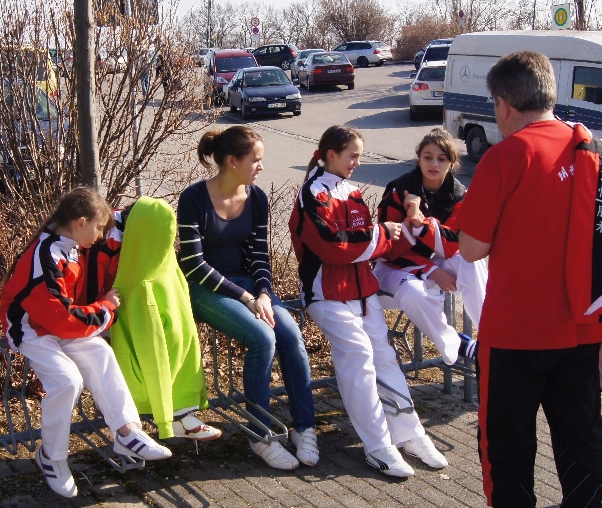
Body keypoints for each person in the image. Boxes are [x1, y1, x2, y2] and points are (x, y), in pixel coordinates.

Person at [453, 51, 602, 508]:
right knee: (582, 434)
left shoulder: (506, 156)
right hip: (583, 321)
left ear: (503, 103)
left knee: (508, 435)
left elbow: (471, 248)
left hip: (516, 326)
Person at [289, 124, 450, 478]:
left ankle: (410, 434)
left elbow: (376, 244)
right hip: (326, 294)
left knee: (385, 358)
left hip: (363, 292)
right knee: (359, 358)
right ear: (332, 155)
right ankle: (378, 445)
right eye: (353, 156)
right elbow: (333, 246)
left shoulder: (352, 190)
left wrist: (410, 226)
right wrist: (381, 233)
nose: (358, 163)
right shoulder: (312, 193)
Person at [0, 187, 172, 498]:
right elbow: (61, 318)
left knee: (101, 353)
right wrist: (105, 309)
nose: (101, 235)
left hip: (55, 324)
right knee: (67, 381)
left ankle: (127, 432)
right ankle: (51, 457)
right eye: (98, 228)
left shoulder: (68, 243)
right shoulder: (46, 256)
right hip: (30, 329)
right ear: (80, 223)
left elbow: (65, 314)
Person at [178, 126, 318, 470]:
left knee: (290, 334)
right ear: (232, 161)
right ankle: (260, 436)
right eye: (255, 160)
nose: (261, 167)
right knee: (262, 337)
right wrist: (244, 296)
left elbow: (259, 255)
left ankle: (304, 427)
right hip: (205, 288)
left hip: (249, 288)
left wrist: (265, 293)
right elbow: (193, 264)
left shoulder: (256, 198)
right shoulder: (194, 198)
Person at [106, 197, 223, 442]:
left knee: (178, 353)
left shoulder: (162, 262)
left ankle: (181, 415)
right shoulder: (139, 280)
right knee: (162, 360)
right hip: (147, 353)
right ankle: (173, 419)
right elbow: (152, 351)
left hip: (175, 344)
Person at [376, 127, 488, 364]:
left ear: (452, 163)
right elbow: (388, 251)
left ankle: (492, 337)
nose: (434, 164)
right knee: (414, 294)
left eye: (441, 159)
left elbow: (451, 246)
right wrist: (432, 270)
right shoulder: (398, 190)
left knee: (471, 262)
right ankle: (459, 345)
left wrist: (419, 222)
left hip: (432, 260)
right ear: (419, 159)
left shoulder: (460, 194)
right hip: (394, 268)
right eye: (428, 157)